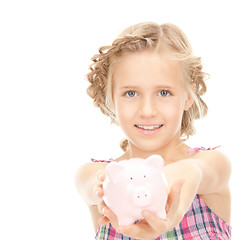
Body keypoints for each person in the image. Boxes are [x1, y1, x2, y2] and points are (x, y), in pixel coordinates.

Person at [75, 22, 232, 240]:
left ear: (188, 96)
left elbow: (193, 172)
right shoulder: (97, 175)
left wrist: (173, 201)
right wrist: (109, 187)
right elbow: (91, 184)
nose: (147, 111)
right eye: (131, 93)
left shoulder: (213, 163)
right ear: (110, 100)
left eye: (164, 93)